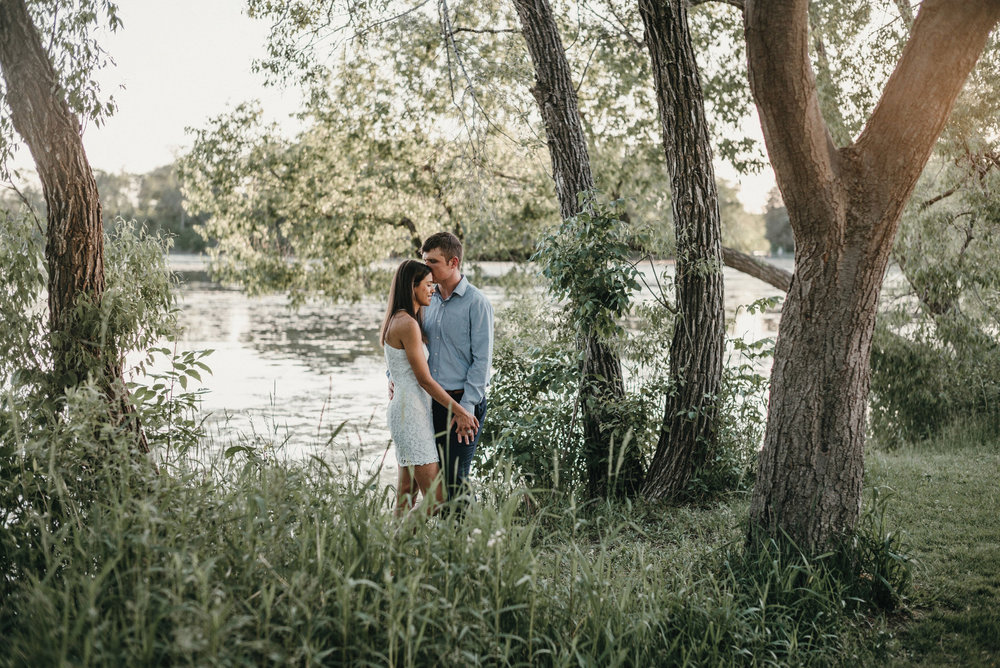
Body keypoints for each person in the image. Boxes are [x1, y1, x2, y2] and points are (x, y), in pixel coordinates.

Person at [381, 259, 479, 516]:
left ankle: (395, 543)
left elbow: (399, 366)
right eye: (427, 285)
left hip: (408, 408)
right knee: (436, 500)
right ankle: (399, 538)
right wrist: (460, 410)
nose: (432, 290)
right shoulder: (408, 324)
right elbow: (424, 380)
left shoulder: (400, 319)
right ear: (411, 287)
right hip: (411, 413)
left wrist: (393, 378)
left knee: (406, 492)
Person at [420, 232, 494, 505]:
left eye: (433, 262)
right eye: (424, 261)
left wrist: (467, 408)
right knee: (435, 480)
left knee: (456, 480)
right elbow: (408, 344)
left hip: (463, 403)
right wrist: (392, 377)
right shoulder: (426, 298)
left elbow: (482, 361)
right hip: (430, 402)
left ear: (453, 262)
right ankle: (445, 531)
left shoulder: (477, 303)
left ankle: (465, 532)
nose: (426, 268)